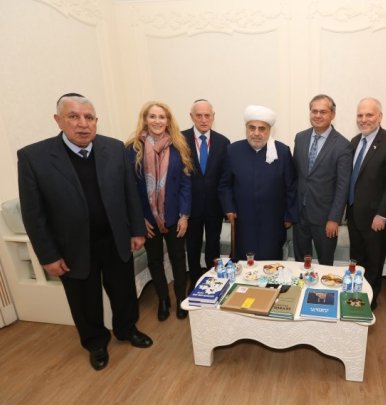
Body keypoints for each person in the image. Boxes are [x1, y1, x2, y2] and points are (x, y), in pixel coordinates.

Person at [17, 93, 153, 371]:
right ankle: (95, 343)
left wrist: (137, 229)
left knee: (124, 292)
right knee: (84, 300)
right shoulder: (34, 157)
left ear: (96, 121)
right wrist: (48, 255)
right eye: (73, 116)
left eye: (89, 117)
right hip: (73, 247)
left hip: (114, 239)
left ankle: (127, 329)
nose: (83, 124)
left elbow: (130, 193)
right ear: (58, 120)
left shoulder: (114, 148)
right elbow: (33, 213)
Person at [125, 101, 193, 321]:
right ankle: (163, 300)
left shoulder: (178, 146)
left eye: (162, 117)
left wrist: (184, 215)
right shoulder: (132, 149)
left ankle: (181, 299)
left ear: (168, 121)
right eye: (152, 116)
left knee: (178, 259)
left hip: (174, 216)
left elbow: (185, 184)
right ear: (145, 119)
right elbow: (129, 189)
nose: (157, 121)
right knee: (154, 260)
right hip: (147, 219)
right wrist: (138, 219)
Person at [346, 97, 386, 309]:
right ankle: (356, 296)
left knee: (373, 263)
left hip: (375, 219)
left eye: (369, 115)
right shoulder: (354, 142)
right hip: (354, 215)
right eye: (360, 115)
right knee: (357, 260)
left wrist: (383, 214)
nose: (364, 119)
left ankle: (368, 303)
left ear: (380, 117)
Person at [219, 105, 297, 260]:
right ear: (246, 128)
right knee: (244, 260)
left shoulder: (282, 151)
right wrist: (229, 208)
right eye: (252, 128)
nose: (256, 133)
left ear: (269, 130)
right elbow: (224, 185)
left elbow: (291, 186)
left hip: (273, 220)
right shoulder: (233, 150)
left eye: (262, 129)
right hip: (243, 218)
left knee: (271, 261)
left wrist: (289, 216)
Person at [292, 94, 352, 265]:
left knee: (325, 264)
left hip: (325, 218)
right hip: (300, 215)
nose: (317, 115)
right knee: (300, 263)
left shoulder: (343, 145)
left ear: (332, 115)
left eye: (323, 112)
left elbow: (342, 186)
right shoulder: (300, 138)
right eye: (314, 111)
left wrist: (334, 218)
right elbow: (296, 175)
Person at [181, 99, 230, 289]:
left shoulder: (223, 142)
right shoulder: (179, 139)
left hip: (214, 206)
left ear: (213, 117)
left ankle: (213, 283)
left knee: (213, 246)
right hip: (190, 207)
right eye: (199, 115)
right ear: (191, 117)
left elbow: (225, 177)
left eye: (207, 115)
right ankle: (194, 283)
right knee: (192, 247)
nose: (203, 119)